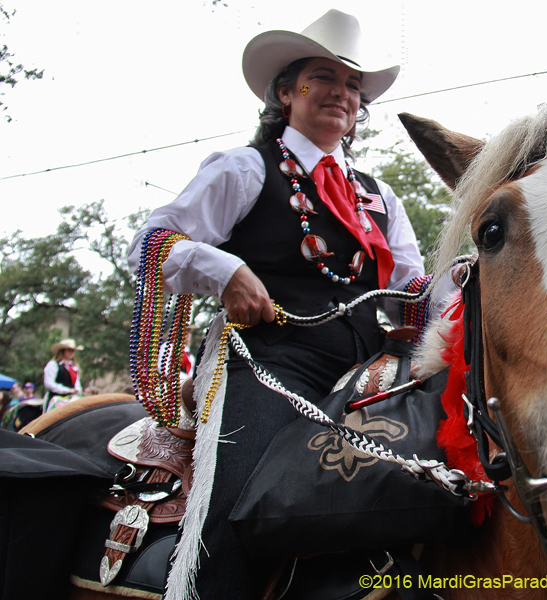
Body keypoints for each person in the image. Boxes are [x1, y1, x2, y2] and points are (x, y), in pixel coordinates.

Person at [128, 9, 428, 598]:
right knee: (239, 507)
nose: (341, 93)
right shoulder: (244, 168)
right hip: (267, 364)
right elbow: (151, 242)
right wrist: (227, 269)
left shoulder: (380, 195)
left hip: (369, 371)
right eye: (324, 77)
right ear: (287, 92)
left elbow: (414, 286)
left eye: (352, 85)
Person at [43, 338, 84, 412]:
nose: (71, 353)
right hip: (56, 398)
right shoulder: (53, 365)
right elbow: (49, 383)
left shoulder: (73, 367)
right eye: (69, 350)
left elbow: (76, 383)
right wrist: (67, 390)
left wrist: (78, 390)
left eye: (73, 351)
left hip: (71, 398)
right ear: (62, 351)